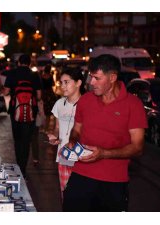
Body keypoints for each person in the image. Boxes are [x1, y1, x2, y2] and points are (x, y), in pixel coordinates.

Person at [63, 54, 148, 212]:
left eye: (97, 78)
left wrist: (104, 153)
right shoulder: (85, 100)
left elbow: (138, 147)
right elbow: (76, 130)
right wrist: (72, 142)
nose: (91, 82)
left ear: (112, 77)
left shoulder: (133, 105)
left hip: (113, 182)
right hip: (81, 175)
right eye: (90, 77)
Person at [47, 68, 85, 199]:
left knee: (82, 197)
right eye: (61, 82)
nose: (62, 86)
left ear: (78, 83)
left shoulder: (87, 104)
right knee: (66, 194)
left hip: (82, 157)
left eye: (66, 82)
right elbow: (57, 127)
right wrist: (54, 136)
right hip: (63, 155)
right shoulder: (59, 103)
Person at [2, 54, 42, 177]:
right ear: (29, 63)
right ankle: (23, 168)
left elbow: (6, 92)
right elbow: (39, 96)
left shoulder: (12, 74)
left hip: (15, 112)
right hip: (30, 113)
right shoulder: (34, 75)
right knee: (26, 141)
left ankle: (19, 166)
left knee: (18, 140)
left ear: (19, 62)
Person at [41, 64, 58, 133]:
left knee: (45, 113)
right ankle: (53, 128)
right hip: (50, 94)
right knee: (53, 112)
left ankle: (45, 128)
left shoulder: (42, 77)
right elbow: (53, 84)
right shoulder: (50, 76)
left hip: (44, 95)